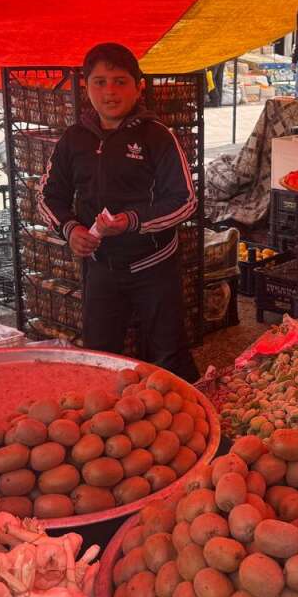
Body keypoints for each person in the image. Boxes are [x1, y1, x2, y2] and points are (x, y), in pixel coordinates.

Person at [40, 42, 199, 382]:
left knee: (168, 356)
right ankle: (107, 425)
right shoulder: (73, 139)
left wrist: (132, 222)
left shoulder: (158, 136)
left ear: (139, 87)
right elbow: (48, 196)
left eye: (120, 81)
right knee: (100, 356)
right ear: (86, 86)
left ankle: (188, 426)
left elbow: (184, 200)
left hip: (153, 266)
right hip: (101, 269)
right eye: (99, 82)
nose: (109, 92)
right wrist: (70, 230)